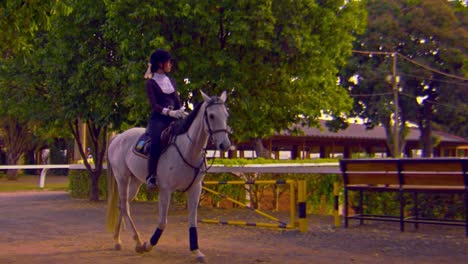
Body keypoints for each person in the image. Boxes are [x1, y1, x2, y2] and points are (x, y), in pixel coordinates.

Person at [144, 49, 186, 190]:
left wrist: (181, 111)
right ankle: (151, 176)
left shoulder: (171, 81)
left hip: (174, 116)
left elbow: (177, 100)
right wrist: (169, 112)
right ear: (160, 64)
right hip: (159, 119)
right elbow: (154, 105)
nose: (170, 65)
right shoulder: (151, 83)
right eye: (168, 62)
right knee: (156, 141)